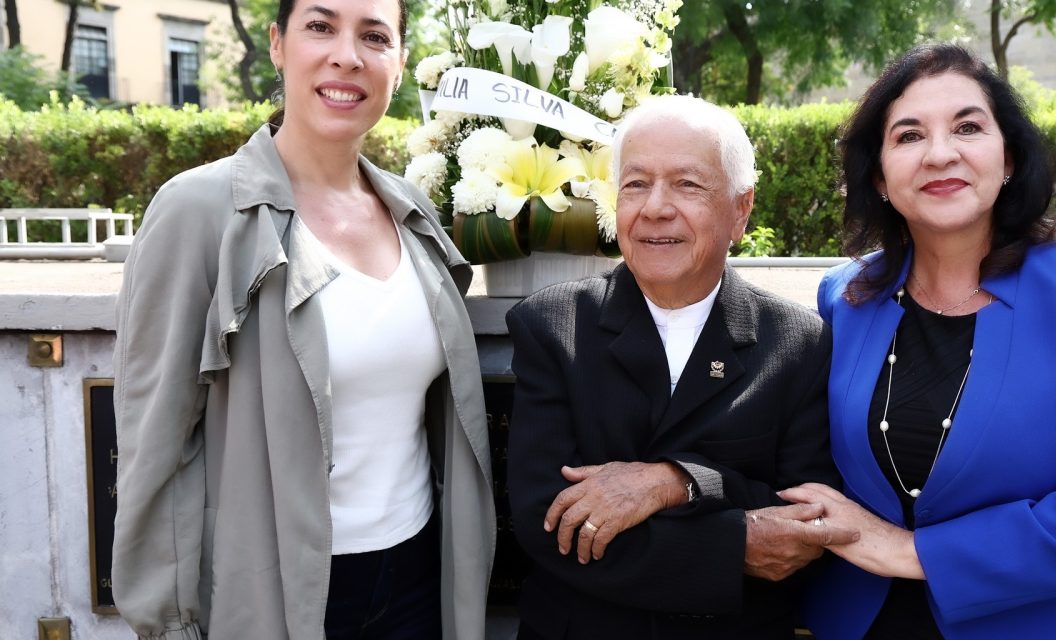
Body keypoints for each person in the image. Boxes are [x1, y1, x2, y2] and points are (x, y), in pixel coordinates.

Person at [110, 0, 494, 638]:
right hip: (279, 592)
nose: (347, 54)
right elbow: (155, 444)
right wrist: (168, 621)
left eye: (373, 36)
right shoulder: (199, 211)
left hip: (418, 575)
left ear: (398, 64)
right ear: (278, 44)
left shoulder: (414, 214)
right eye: (321, 26)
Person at [780, 43, 1056, 639]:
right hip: (865, 621)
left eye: (968, 127)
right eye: (909, 136)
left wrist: (912, 552)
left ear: (1009, 157)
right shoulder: (847, 297)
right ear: (880, 178)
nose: (941, 154)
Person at [504, 95, 851, 640]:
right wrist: (733, 543)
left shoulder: (797, 343)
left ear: (741, 209)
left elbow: (799, 524)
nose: (656, 208)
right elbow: (548, 521)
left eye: (687, 185)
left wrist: (677, 482)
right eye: (636, 184)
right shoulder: (553, 327)